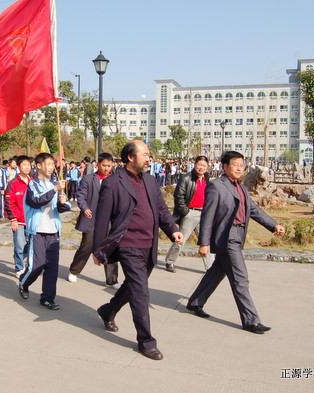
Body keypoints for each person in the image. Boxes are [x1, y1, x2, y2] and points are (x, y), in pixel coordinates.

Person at [92, 140, 183, 361]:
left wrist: (173, 230)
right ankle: (146, 342)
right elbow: (102, 219)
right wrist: (98, 250)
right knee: (141, 292)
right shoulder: (113, 183)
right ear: (131, 157)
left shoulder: (150, 181)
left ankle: (108, 310)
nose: (149, 158)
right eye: (145, 154)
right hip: (128, 245)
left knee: (133, 286)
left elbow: (161, 210)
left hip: (149, 245)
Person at [186, 151, 285, 334]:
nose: (240, 168)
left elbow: (254, 210)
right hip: (227, 236)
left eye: (242, 165)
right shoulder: (217, 186)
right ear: (225, 167)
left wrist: (273, 225)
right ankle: (250, 321)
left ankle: (195, 302)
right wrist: (204, 243)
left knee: (217, 271)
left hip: (239, 235)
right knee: (240, 278)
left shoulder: (241, 187)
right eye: (235, 165)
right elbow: (207, 216)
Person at [18, 152, 71, 311]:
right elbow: (36, 201)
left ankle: (47, 298)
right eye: (47, 164)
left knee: (52, 268)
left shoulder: (55, 184)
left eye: (52, 164)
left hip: (53, 231)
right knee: (37, 265)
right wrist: (55, 189)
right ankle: (24, 282)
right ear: (39, 166)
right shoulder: (33, 184)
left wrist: (63, 202)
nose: (51, 167)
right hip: (38, 231)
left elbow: (62, 207)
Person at [67, 152, 120, 287]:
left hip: (108, 221)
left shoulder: (115, 180)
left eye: (109, 166)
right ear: (98, 164)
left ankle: (112, 280)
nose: (107, 168)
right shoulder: (88, 179)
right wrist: (84, 208)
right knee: (86, 247)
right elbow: (81, 196)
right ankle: (74, 270)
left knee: (110, 249)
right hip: (91, 218)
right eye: (104, 165)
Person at [164, 155, 214, 273]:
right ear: (195, 165)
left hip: (204, 214)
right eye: (199, 165)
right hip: (190, 213)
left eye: (204, 166)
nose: (201, 167)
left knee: (206, 241)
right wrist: (186, 212)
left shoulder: (207, 179)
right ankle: (170, 261)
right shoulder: (186, 178)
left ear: (207, 167)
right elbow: (178, 196)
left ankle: (211, 267)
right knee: (181, 239)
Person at [4, 155, 33, 278]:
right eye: (24, 165)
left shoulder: (33, 182)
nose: (27, 167)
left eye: (29, 165)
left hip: (31, 220)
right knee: (19, 245)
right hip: (19, 220)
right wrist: (13, 219)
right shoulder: (13, 183)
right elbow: (8, 202)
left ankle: (20, 257)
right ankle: (19, 267)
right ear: (18, 167)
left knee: (31, 245)